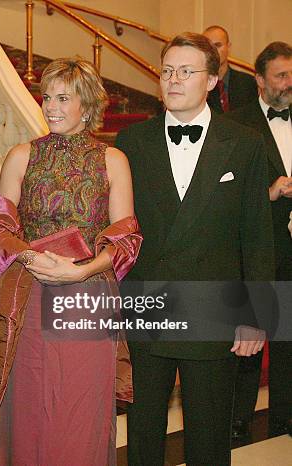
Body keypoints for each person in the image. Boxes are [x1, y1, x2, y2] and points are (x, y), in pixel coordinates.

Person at [115, 32, 274, 465]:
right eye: (167, 71)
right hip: (148, 307)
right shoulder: (131, 144)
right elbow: (121, 233)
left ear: (211, 80)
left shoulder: (243, 144)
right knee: (144, 431)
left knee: (208, 433)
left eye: (186, 71)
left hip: (214, 308)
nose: (174, 79)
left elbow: (257, 234)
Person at [0, 57, 142, 465]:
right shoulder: (21, 156)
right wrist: (31, 256)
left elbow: (126, 237)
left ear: (87, 107)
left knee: (81, 409)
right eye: (47, 96)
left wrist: (83, 269)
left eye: (63, 98)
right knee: (31, 406)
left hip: (88, 300)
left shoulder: (113, 160)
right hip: (32, 297)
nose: (50, 106)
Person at [229, 41, 292, 438]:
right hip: (259, 245)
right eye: (281, 76)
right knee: (250, 335)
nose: (289, 83)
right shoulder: (237, 125)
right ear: (259, 79)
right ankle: (237, 418)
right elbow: (229, 193)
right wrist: (268, 193)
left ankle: (285, 414)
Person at [203, 25, 256, 112]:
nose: (213, 51)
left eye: (218, 45)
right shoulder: (199, 84)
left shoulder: (248, 83)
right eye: (208, 46)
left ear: (228, 47)